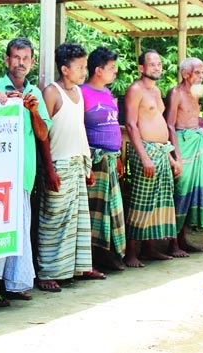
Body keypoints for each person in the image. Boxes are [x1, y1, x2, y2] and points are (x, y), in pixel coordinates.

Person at [0, 37, 50, 299]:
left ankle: (14, 284)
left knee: (19, 230)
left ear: (31, 63)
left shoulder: (36, 94)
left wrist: (32, 110)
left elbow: (42, 135)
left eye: (25, 58)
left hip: (23, 172)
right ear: (7, 60)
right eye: (15, 57)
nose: (20, 63)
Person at [36, 43, 96, 292]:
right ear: (64, 68)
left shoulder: (79, 93)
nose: (84, 71)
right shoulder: (51, 92)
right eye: (79, 67)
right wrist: (49, 170)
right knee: (54, 221)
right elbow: (44, 135)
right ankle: (47, 272)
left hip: (77, 163)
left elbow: (79, 129)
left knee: (77, 221)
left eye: (84, 66)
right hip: (59, 164)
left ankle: (73, 268)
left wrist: (87, 164)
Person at [123, 49, 180, 268]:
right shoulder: (135, 89)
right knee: (141, 200)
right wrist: (144, 157)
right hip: (145, 151)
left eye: (159, 64)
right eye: (152, 64)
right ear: (141, 68)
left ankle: (149, 248)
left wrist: (171, 156)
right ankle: (131, 252)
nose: (157, 67)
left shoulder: (157, 91)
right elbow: (131, 124)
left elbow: (162, 122)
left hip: (161, 151)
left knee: (159, 202)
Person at [81, 46, 126, 272]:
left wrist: (117, 156)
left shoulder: (107, 94)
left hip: (110, 158)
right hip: (94, 160)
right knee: (92, 212)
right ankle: (90, 260)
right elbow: (79, 127)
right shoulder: (82, 92)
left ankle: (105, 255)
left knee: (107, 212)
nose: (115, 72)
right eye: (111, 68)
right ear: (98, 70)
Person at [166, 57, 203, 257]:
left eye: (202, 72)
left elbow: (193, 116)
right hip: (182, 144)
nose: (201, 76)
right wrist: (177, 155)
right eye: (198, 72)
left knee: (191, 193)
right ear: (186, 74)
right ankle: (172, 242)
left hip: (196, 141)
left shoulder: (196, 92)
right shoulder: (175, 93)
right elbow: (170, 124)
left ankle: (183, 239)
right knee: (180, 192)